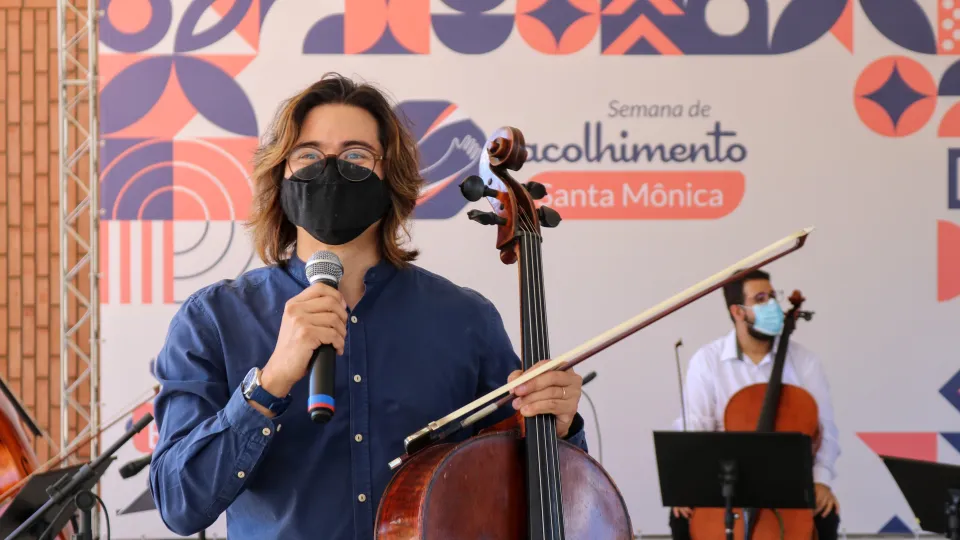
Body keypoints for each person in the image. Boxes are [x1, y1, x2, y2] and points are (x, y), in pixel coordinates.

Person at [148, 73, 588, 540]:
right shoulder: (213, 319)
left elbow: (529, 493)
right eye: (309, 156)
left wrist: (556, 428)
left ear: (389, 176)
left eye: (356, 156)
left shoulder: (465, 320)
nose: (332, 170)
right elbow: (180, 504)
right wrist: (270, 382)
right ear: (281, 177)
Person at [668, 269, 841, 540]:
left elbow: (826, 431)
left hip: (788, 483)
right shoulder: (707, 361)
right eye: (760, 299)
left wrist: (821, 481)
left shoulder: (805, 362)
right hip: (726, 483)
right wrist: (687, 486)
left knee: (826, 516)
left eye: (773, 296)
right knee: (680, 519)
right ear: (738, 311)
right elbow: (695, 427)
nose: (772, 305)